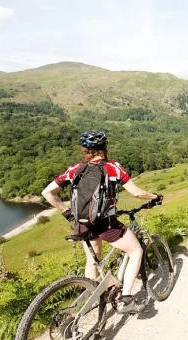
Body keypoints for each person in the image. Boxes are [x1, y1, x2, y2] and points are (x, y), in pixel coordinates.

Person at [41, 130, 162, 314]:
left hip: (82, 223)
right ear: (105, 148)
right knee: (136, 251)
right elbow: (136, 193)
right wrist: (154, 197)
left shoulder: (75, 169)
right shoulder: (113, 167)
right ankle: (127, 299)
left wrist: (68, 213)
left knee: (92, 261)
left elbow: (47, 193)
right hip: (105, 223)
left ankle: (92, 300)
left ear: (84, 150)